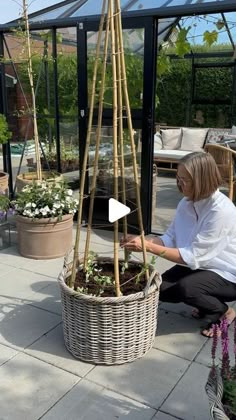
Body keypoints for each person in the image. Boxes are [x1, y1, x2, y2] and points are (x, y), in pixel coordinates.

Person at [120, 151, 236, 337]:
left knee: (187, 289)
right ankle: (204, 301)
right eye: (178, 177)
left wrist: (148, 247)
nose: (179, 184)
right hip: (201, 266)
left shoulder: (221, 211)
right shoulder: (186, 203)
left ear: (202, 180)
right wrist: (143, 242)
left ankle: (223, 312)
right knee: (160, 288)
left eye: (185, 180)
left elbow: (193, 257)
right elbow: (170, 237)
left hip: (227, 273)